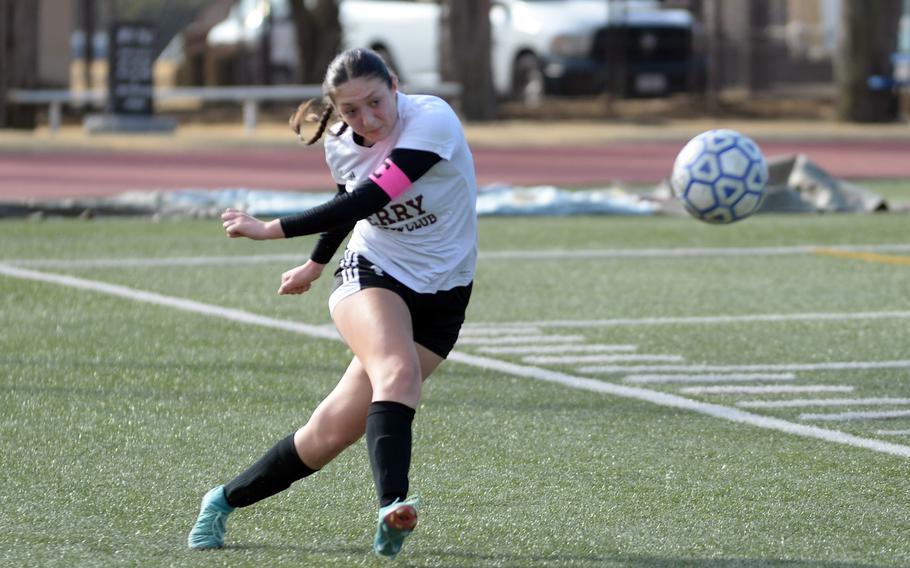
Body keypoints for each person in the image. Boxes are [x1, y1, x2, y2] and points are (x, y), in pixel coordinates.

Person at [187, 47, 477, 559]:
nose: (366, 119)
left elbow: (371, 197)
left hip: (447, 294)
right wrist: (317, 264)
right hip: (373, 272)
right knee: (398, 374)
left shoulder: (432, 119)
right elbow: (349, 205)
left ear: (394, 83)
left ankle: (222, 500)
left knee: (329, 432)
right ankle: (393, 507)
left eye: (374, 102)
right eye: (350, 111)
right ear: (335, 111)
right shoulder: (341, 143)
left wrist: (270, 229)